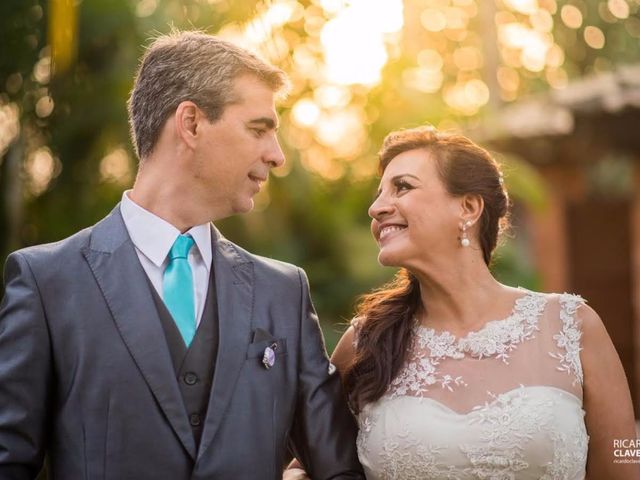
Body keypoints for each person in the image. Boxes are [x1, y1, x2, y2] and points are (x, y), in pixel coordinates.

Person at [0, 31, 363, 479]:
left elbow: (338, 469)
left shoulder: (283, 292)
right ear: (190, 123)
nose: (277, 156)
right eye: (258, 129)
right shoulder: (46, 282)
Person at [288, 126, 638, 479]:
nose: (376, 208)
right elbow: (307, 465)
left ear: (468, 208)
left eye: (403, 187)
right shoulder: (365, 342)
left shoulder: (572, 325)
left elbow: (626, 463)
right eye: (379, 194)